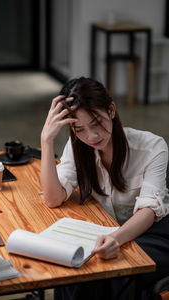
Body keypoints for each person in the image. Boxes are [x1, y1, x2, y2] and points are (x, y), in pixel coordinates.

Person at [41, 77, 169, 300]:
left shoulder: (152, 147)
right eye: (79, 129)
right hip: (104, 232)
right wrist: (46, 140)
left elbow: (148, 212)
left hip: (153, 235)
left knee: (103, 273)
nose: (91, 136)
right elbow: (53, 198)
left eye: (96, 122)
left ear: (111, 110)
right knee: (70, 264)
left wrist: (116, 239)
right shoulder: (78, 145)